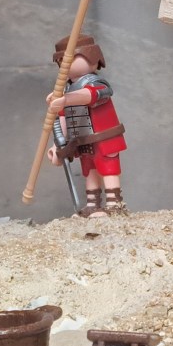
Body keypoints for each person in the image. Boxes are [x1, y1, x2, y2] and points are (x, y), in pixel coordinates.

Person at [45, 35, 127, 217]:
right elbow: (63, 118)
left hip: (103, 138)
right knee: (89, 170)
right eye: (61, 61)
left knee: (108, 168)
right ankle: (92, 205)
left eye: (70, 58)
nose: (65, 64)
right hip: (82, 140)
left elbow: (91, 95)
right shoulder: (66, 90)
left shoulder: (96, 83)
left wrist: (65, 100)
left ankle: (114, 205)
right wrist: (57, 146)